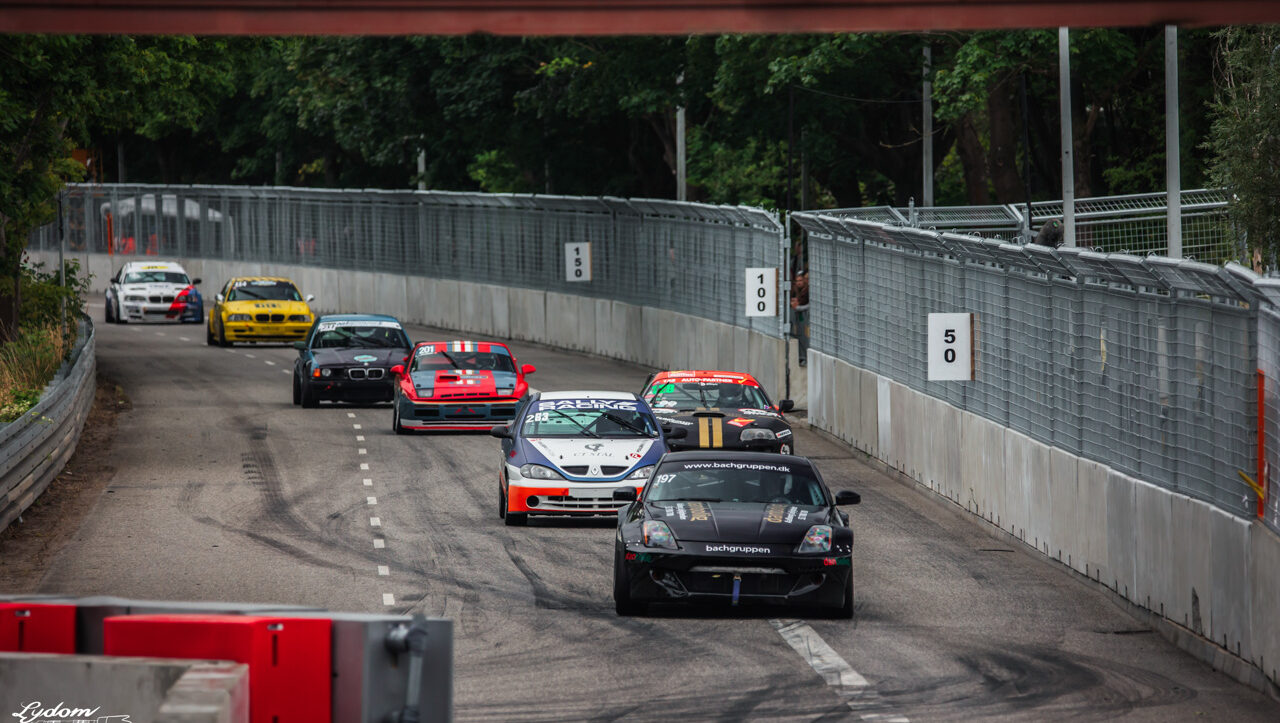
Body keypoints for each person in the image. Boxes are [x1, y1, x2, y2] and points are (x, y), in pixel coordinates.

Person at [790, 269, 810, 366]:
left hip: (805, 318)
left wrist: (798, 307)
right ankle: (802, 357)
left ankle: (806, 357)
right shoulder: (797, 290)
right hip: (799, 318)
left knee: (806, 338)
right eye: (797, 281)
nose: (799, 283)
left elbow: (810, 304)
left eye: (801, 280)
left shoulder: (808, 291)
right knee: (800, 337)